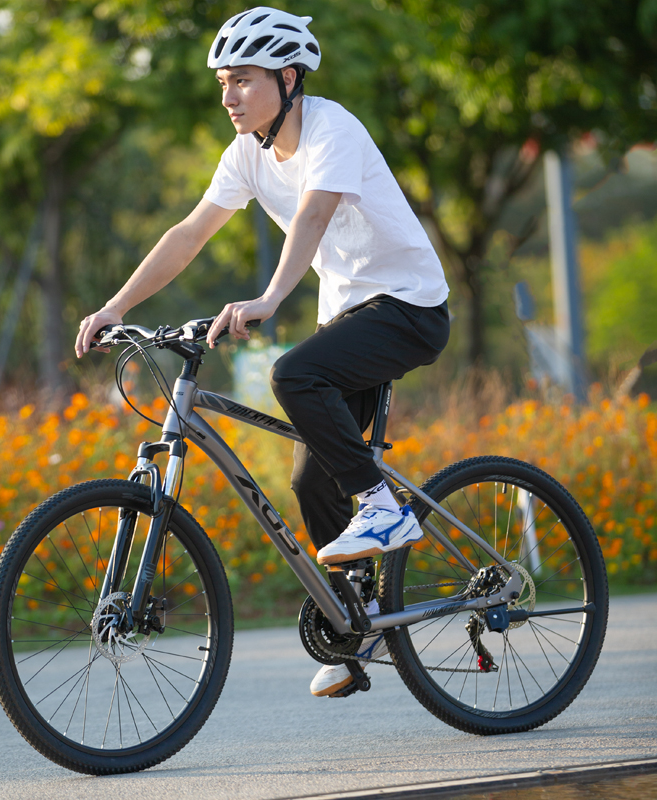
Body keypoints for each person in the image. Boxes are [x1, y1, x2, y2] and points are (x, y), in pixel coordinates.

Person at [76, 7, 450, 698]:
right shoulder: (247, 152)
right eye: (223, 81)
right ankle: (355, 622)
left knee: (291, 372)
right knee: (312, 480)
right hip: (350, 316)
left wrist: (271, 298)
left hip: (409, 307)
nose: (227, 97)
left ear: (287, 77)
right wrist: (116, 307)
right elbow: (190, 232)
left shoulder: (333, 129)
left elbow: (312, 213)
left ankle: (384, 505)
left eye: (242, 81)